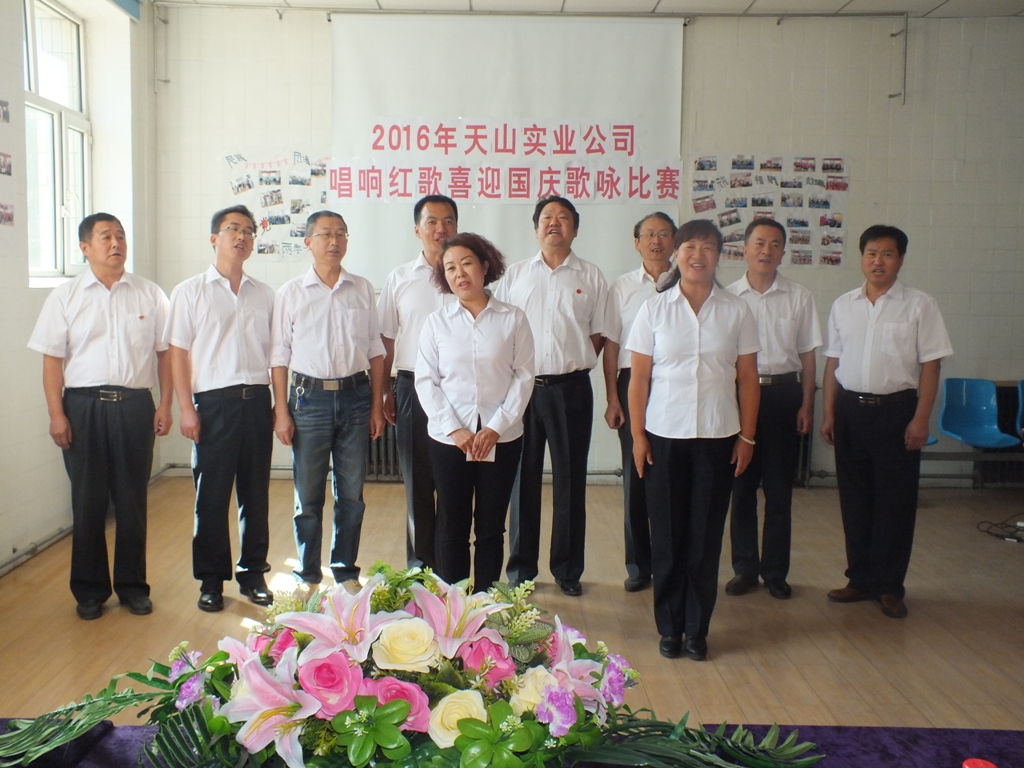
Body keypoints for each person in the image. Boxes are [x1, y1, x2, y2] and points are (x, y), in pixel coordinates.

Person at [627, 219, 760, 661]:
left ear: (720, 255)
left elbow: (747, 378)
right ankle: (669, 627)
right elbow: (639, 378)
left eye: (707, 247)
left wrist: (747, 437)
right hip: (664, 436)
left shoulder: (737, 311)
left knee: (705, 538)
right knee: (666, 536)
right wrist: (638, 436)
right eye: (689, 247)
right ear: (676, 254)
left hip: (718, 436)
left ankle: (697, 630)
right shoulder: (654, 310)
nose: (697, 255)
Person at [28, 213, 172, 620]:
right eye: (106, 236)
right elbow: (52, 362)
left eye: (121, 236)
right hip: (83, 407)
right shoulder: (65, 297)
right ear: (84, 247)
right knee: (88, 502)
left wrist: (165, 405)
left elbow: (166, 355)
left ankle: (133, 588)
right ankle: (89, 591)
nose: (116, 243)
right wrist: (56, 414)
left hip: (134, 406)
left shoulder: (149, 294)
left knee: (132, 500)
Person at [820, 225, 952, 619]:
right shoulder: (843, 305)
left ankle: (890, 586)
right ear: (862, 257)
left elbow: (931, 365)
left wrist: (921, 419)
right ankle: (859, 579)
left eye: (887, 254)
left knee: (895, 502)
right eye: (871, 253)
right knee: (855, 499)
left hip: (897, 412)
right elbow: (833, 362)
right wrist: (829, 412)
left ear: (900, 259)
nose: (878, 261)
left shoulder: (920, 305)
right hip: (850, 410)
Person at [496, 195, 608, 597]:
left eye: (563, 218)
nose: (554, 223)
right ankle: (521, 569)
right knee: (521, 480)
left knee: (570, 480)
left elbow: (599, 333)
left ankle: (567, 569)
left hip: (571, 390)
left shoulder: (591, 276)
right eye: (546, 217)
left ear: (575, 229)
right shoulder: (516, 275)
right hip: (522, 389)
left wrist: (572, 361)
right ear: (535, 228)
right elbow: (500, 330)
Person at [165, 205, 275, 613]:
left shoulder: (265, 294)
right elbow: (178, 353)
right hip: (213, 405)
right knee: (211, 498)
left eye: (248, 230)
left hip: (257, 402)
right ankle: (211, 581)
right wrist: (186, 407)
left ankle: (253, 574)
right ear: (214, 238)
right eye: (233, 229)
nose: (241, 236)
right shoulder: (189, 291)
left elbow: (276, 354)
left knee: (255, 495)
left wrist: (278, 406)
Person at [271, 211, 385, 591]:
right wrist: (281, 411)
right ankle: (307, 574)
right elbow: (279, 355)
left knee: (351, 494)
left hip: (356, 397)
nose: (334, 242)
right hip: (308, 400)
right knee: (308, 495)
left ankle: (345, 570)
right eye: (325, 235)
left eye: (341, 234)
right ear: (308, 242)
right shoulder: (290, 293)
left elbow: (375, 349)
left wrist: (376, 405)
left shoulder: (362, 288)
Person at [415, 234, 534, 590]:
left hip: (502, 437)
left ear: (484, 266)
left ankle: (485, 603)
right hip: (449, 439)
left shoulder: (513, 319)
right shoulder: (437, 322)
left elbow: (524, 376)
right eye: (450, 268)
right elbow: (426, 381)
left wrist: (496, 427)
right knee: (451, 524)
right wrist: (454, 428)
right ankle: (453, 607)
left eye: (466, 263)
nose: (459, 274)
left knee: (491, 526)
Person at [724, 219, 821, 600]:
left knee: (780, 490)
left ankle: (776, 572)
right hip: (739, 397)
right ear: (744, 250)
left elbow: (808, 355)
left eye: (775, 244)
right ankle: (744, 569)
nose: (767, 251)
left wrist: (807, 403)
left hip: (783, 395)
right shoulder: (728, 297)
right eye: (759, 243)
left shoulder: (799, 297)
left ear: (783, 252)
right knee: (742, 487)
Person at [378, 195, 458, 570]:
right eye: (432, 222)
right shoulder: (399, 278)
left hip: (460, 390)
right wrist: (384, 389)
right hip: (411, 387)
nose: (441, 229)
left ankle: (452, 566)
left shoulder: (468, 274)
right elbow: (386, 339)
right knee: (418, 483)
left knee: (455, 483)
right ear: (417, 230)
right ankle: (420, 567)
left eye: (448, 221)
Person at [602, 212, 677, 593]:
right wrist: (612, 397)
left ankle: (670, 561)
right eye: (649, 234)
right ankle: (638, 564)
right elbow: (612, 345)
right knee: (636, 474)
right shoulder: (622, 287)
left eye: (663, 234)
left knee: (672, 474)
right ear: (637, 243)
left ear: (674, 241)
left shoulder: (690, 281)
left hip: (675, 383)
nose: (656, 241)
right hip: (633, 381)